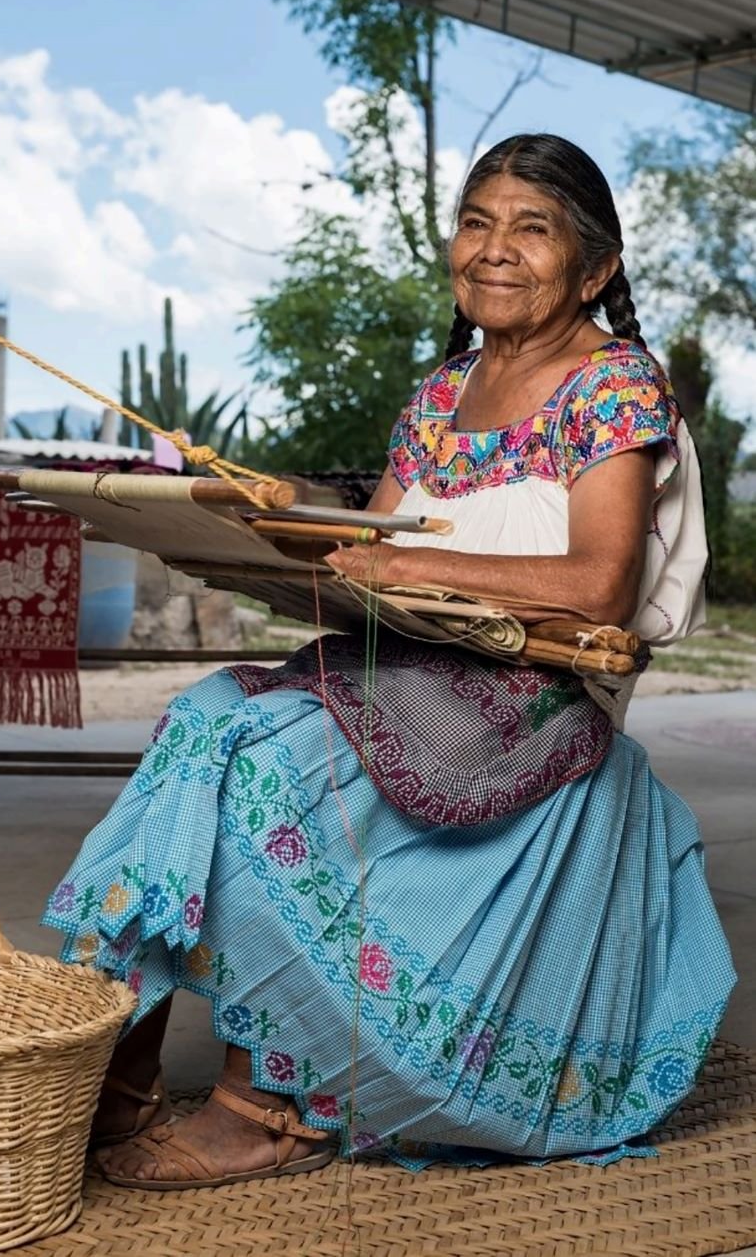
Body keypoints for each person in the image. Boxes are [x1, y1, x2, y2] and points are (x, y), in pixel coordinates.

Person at [44, 134, 735, 1190]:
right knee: (208, 716)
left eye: (532, 229)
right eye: (476, 222)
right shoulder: (438, 397)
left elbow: (599, 583)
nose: (494, 249)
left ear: (593, 270)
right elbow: (368, 563)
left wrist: (402, 555)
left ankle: (263, 1104)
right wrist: (259, 537)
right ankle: (116, 1048)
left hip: (535, 693)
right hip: (410, 669)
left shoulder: (613, 387)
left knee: (271, 760)